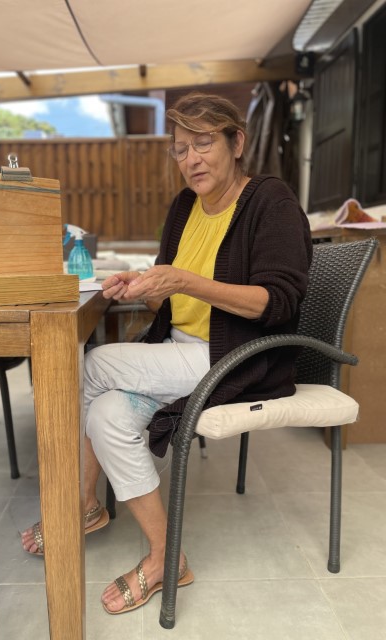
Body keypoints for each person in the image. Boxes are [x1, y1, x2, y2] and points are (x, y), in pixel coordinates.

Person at [21, 91, 313, 614]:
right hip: (180, 355)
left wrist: (183, 280)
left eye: (204, 143)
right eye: (180, 149)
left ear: (237, 143)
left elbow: (278, 302)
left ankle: (84, 503)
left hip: (236, 356)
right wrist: (143, 285)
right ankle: (167, 556)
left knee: (93, 363)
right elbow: (169, 293)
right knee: (107, 416)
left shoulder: (271, 202)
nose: (191, 159)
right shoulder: (184, 207)